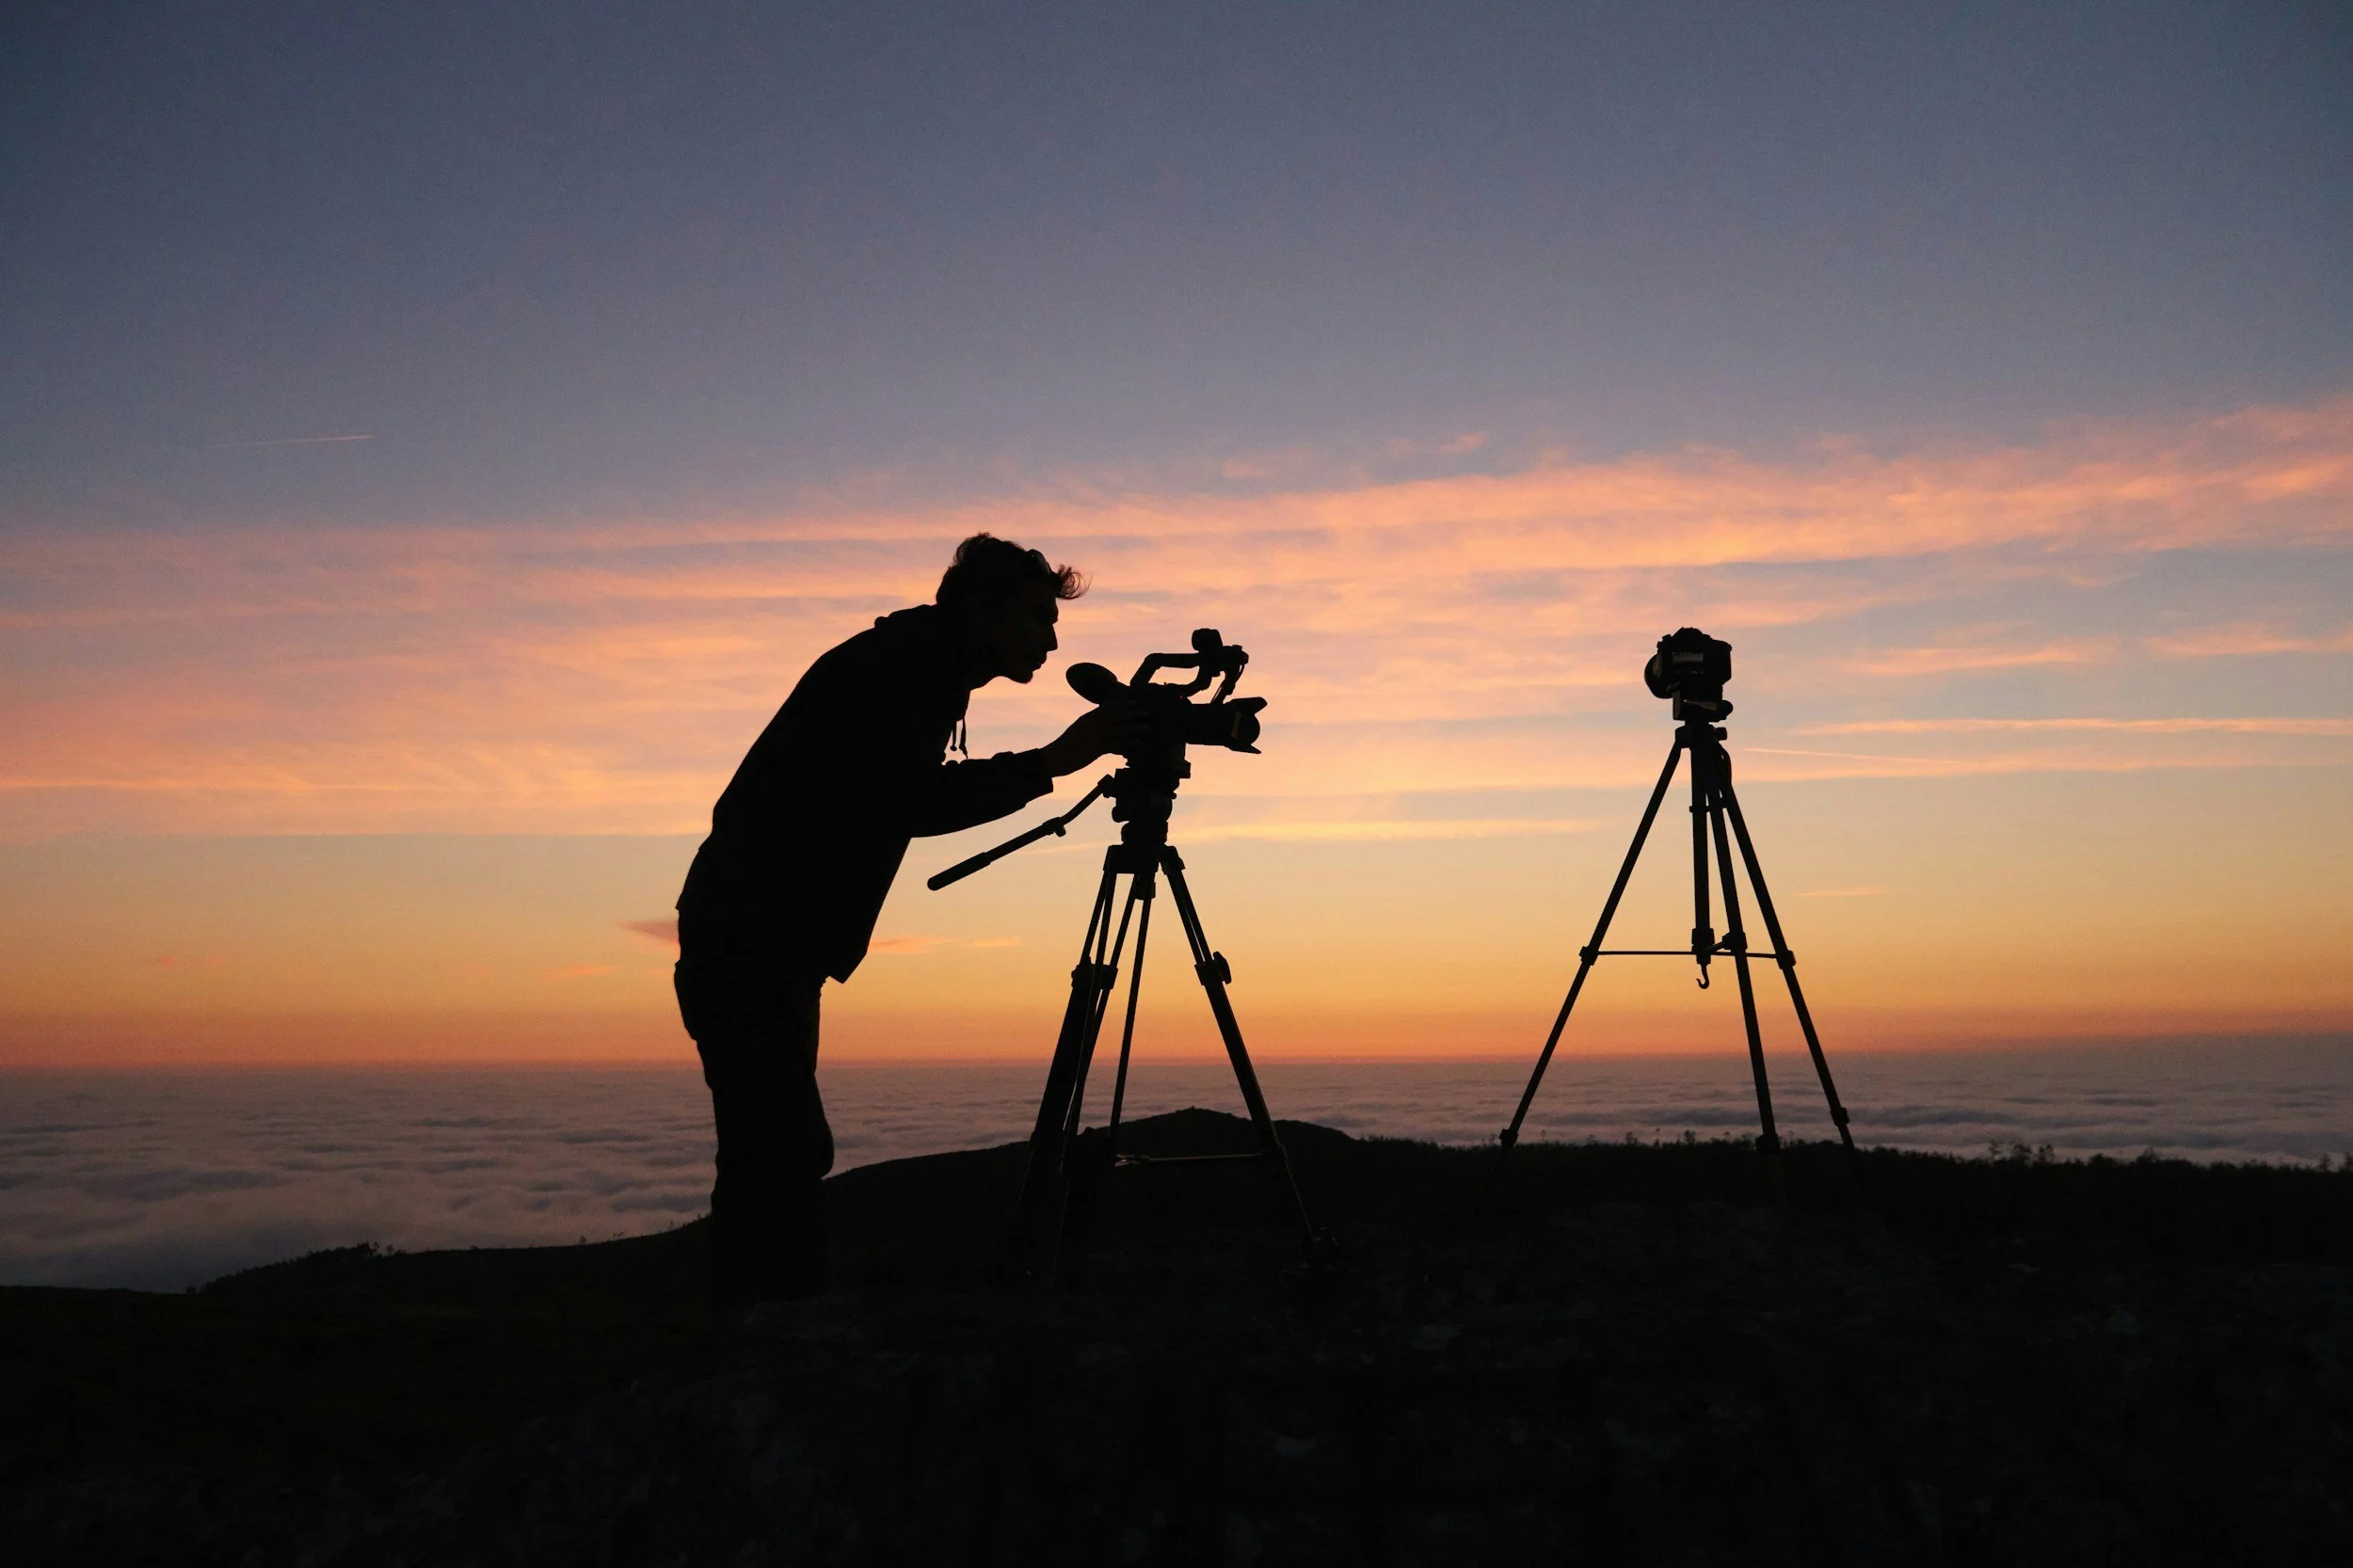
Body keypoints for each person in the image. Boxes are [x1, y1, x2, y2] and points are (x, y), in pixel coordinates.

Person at [673, 533, 1140, 1314]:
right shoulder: (907, 669)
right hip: (753, 938)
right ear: (983, 610)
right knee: (777, 1151)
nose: (1053, 639)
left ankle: (759, 1330)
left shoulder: (918, 662)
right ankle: (763, 1341)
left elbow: (893, 795)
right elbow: (909, 800)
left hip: (760, 936)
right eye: (1035, 617)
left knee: (776, 1147)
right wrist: (1055, 762)